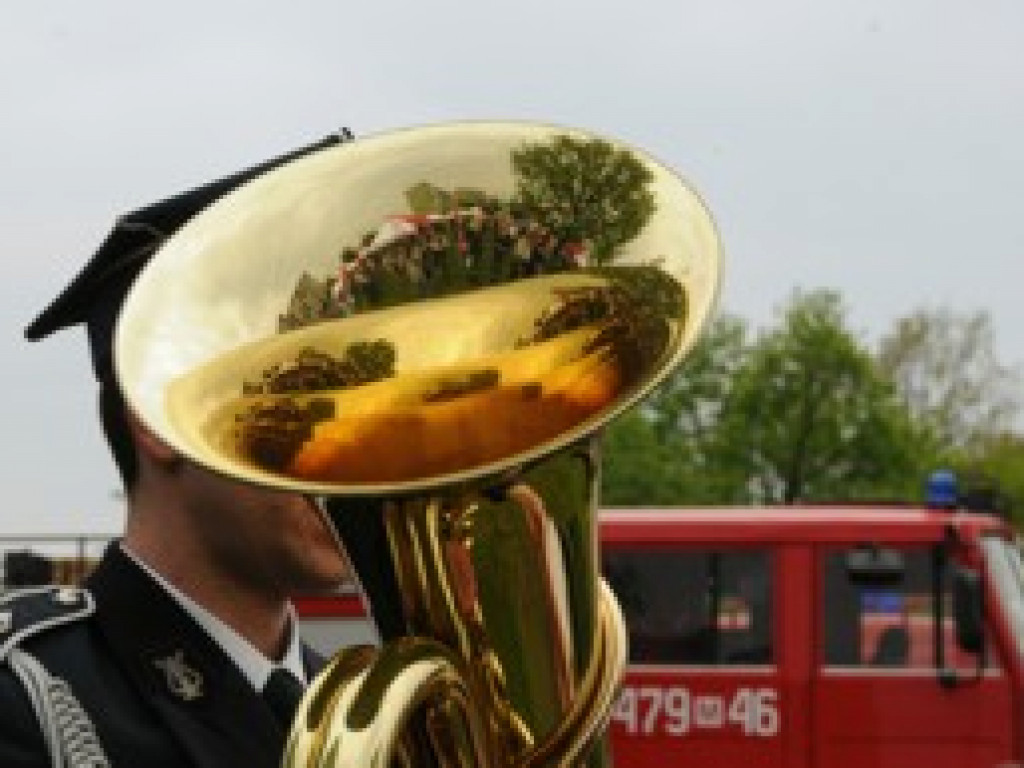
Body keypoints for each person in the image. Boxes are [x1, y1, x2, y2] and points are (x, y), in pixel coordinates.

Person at [0, 131, 356, 768]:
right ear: (161, 425)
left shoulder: (359, 713)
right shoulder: (27, 698)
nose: (352, 447)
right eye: (306, 401)